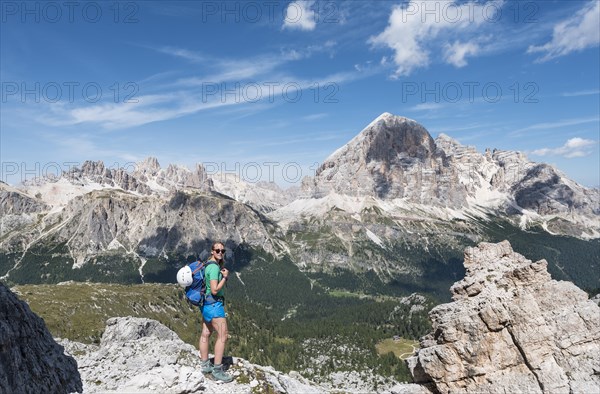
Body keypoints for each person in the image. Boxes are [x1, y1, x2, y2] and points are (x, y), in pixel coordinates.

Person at [199, 241, 233, 383]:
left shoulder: (207, 264)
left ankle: (205, 364)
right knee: (223, 336)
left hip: (206, 305)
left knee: (206, 333)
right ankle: (217, 370)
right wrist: (225, 278)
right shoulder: (213, 268)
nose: (220, 252)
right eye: (217, 250)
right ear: (212, 251)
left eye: (222, 251)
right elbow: (214, 289)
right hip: (214, 305)